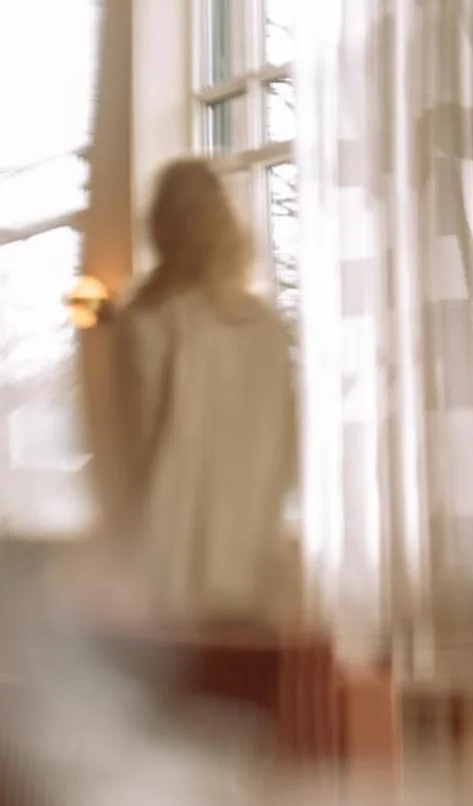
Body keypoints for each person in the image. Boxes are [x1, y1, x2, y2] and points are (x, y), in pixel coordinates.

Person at [108, 157, 300, 633]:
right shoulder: (266, 327)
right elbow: (291, 447)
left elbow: (132, 449)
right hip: (255, 556)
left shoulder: (149, 320)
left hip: (172, 562)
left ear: (161, 227)